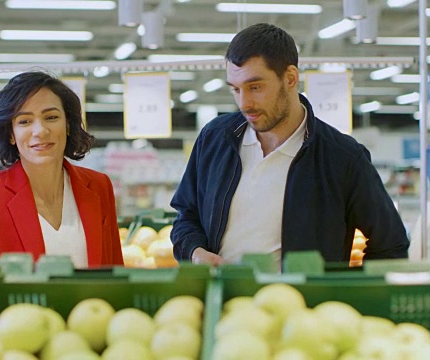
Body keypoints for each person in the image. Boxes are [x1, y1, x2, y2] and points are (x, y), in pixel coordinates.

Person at [170, 23, 409, 268]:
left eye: (255, 87)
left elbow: (390, 244)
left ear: (291, 78)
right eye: (236, 89)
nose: (245, 103)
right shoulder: (215, 139)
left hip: (300, 304)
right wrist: (195, 251)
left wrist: (340, 293)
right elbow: (186, 216)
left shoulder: (342, 157)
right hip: (222, 301)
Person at [0, 71, 124, 268]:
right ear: (11, 135)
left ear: (68, 125)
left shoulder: (98, 186)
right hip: (17, 305)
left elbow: (115, 271)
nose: (40, 131)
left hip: (90, 305)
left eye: (51, 117)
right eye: (24, 121)